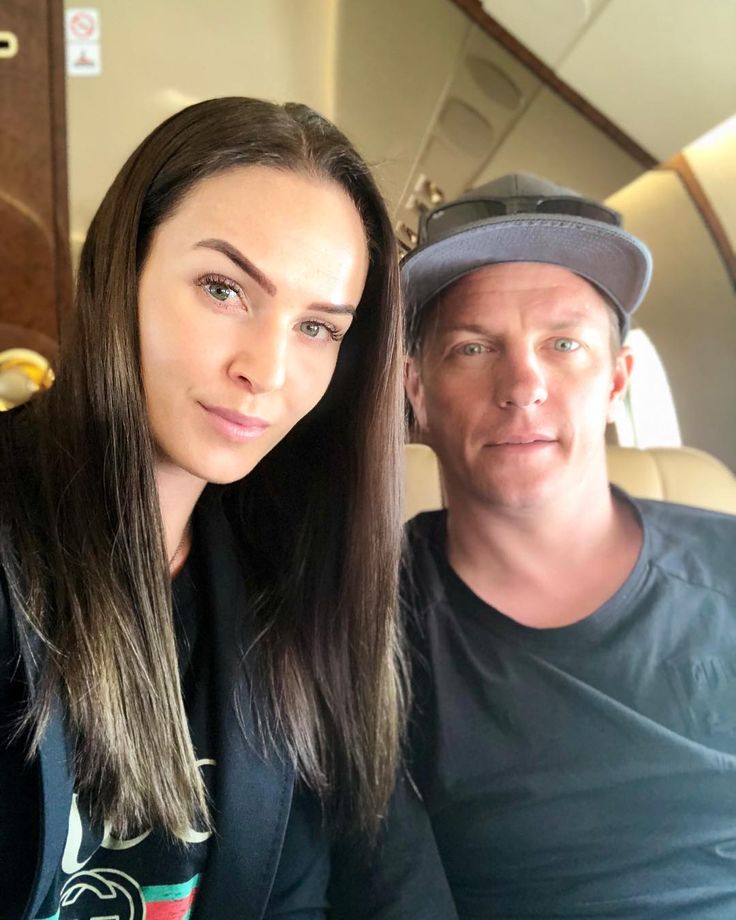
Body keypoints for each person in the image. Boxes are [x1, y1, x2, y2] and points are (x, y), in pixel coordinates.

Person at [0, 97, 456, 920]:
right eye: (223, 289)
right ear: (121, 269)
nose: (266, 370)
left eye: (317, 328)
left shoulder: (290, 578)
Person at [400, 172, 736, 918]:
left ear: (617, 380)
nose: (523, 385)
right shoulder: (363, 618)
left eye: (564, 344)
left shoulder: (728, 569)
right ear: (416, 389)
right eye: (473, 347)